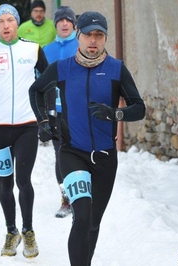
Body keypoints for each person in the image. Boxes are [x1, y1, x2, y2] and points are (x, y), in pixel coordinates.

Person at [29, 11, 146, 266]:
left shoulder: (116, 69)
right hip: (72, 153)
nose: (93, 40)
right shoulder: (62, 68)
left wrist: (114, 113)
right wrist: (43, 121)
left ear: (104, 39)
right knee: (81, 216)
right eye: (88, 35)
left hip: (105, 157)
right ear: (78, 36)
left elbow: (139, 108)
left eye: (99, 35)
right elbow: (35, 90)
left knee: (93, 223)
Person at [0, 4, 54, 259]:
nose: (5, 25)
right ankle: (11, 230)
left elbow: (47, 84)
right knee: (5, 183)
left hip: (27, 126)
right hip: (0, 129)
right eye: (0, 21)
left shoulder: (33, 49)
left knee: (23, 181)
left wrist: (46, 117)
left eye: (10, 20)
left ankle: (28, 231)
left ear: (17, 23)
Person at [43, 6, 78, 218]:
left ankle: (81, 197)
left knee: (79, 153)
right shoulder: (47, 50)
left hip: (79, 109)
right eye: (60, 20)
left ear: (74, 24)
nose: (64, 23)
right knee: (60, 154)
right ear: (55, 24)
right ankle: (66, 199)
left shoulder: (82, 45)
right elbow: (40, 81)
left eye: (68, 20)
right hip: (55, 111)